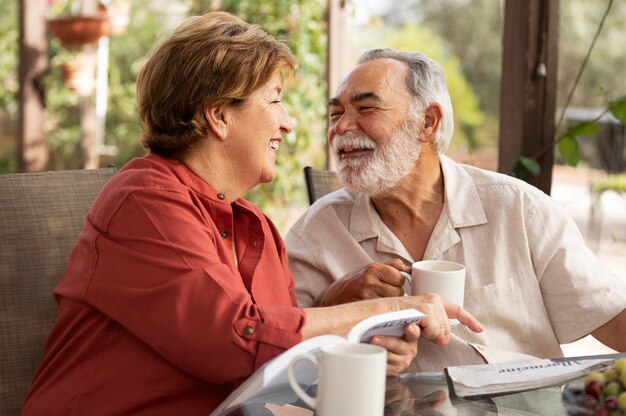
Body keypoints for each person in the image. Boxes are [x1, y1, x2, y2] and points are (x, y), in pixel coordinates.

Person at [20, 16, 482, 416]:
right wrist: (394, 307)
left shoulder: (252, 224)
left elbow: (272, 350)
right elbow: (234, 340)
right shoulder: (143, 201)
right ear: (220, 116)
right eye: (274, 99)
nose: (288, 122)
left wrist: (354, 324)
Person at [285, 48, 626, 372]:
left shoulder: (519, 209)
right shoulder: (316, 232)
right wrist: (333, 305)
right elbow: (276, 348)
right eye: (335, 113)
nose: (341, 127)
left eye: (366, 109)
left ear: (427, 123)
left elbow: (611, 319)